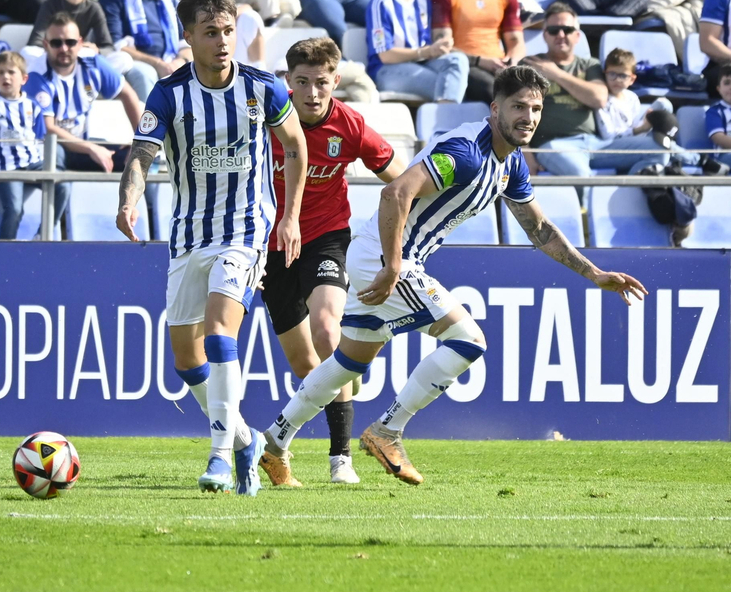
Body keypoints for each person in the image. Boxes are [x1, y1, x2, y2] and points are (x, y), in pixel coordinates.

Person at [257, 64, 647, 486]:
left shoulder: (509, 164)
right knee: (468, 340)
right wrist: (392, 266)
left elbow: (539, 229)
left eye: (535, 109)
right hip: (388, 257)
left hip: (381, 255)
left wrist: (594, 273)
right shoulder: (466, 152)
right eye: (518, 107)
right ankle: (387, 430)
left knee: (348, 363)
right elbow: (395, 192)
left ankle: (274, 445)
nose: (528, 117)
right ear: (495, 108)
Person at [116, 0, 307, 495]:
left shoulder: (262, 87)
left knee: (222, 330)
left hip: (245, 232)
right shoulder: (170, 93)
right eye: (211, 33)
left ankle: (220, 455)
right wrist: (129, 199)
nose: (223, 42)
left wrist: (288, 216)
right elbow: (141, 154)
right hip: (188, 234)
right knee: (185, 358)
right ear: (188, 37)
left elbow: (295, 145)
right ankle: (244, 437)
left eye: (229, 31)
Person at [257, 35, 404, 487]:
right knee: (308, 368)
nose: (312, 92)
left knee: (327, 330)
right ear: (288, 82)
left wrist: (405, 234)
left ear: (335, 80)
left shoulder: (349, 124)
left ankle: (341, 458)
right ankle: (277, 453)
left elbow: (400, 180)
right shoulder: (265, 120)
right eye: (302, 82)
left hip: (325, 238)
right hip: (269, 249)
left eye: (321, 82)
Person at [525, 18, 683, 177]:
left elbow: (599, 99)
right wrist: (525, 154)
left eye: (567, 30)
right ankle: (587, 203)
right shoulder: (529, 66)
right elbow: (513, 116)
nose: (561, 35)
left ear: (577, 36)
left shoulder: (591, 65)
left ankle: (628, 190)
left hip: (597, 143)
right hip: (554, 145)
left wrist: (556, 74)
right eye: (553, 30)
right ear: (544, 35)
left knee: (659, 150)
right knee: (582, 176)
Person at [27, 10, 141, 173]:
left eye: (70, 42)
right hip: (45, 146)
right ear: (46, 45)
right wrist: (91, 148)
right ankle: (54, 197)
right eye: (56, 43)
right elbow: (48, 128)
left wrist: (140, 142)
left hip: (80, 144)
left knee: (136, 160)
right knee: (55, 156)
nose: (64, 48)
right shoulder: (36, 75)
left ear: (80, 43)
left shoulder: (92, 62)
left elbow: (128, 94)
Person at [0, 49, 69, 239]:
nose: (6, 77)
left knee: (62, 187)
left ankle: (41, 235)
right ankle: (6, 249)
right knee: (15, 209)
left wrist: (46, 167)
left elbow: (40, 140)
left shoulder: (33, 105)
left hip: (33, 162)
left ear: (24, 79)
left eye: (11, 72)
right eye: (0, 73)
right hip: (6, 167)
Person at [365, 0, 466, 101]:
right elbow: (385, 55)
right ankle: (445, 122)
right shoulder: (381, 3)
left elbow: (433, 38)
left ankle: (444, 117)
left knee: (458, 61)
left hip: (422, 62)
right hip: (387, 70)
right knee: (446, 85)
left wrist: (442, 43)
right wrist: (425, 52)